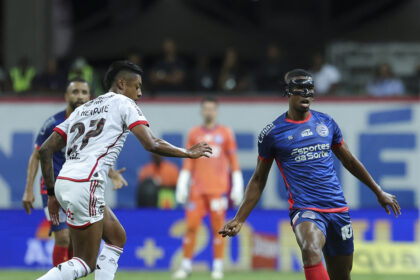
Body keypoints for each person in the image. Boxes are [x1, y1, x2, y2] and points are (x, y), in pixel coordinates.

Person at [219, 69, 401, 280]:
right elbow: (259, 179)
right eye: (300, 89)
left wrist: (378, 191)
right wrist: (240, 218)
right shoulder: (272, 133)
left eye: (310, 89)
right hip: (305, 209)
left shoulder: (327, 123)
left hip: (337, 208)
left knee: (342, 276)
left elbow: (349, 160)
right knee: (310, 247)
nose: (306, 94)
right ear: (288, 92)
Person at [37, 61, 212, 280]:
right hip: (86, 183)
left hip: (65, 182)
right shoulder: (123, 103)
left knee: (117, 237)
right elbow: (152, 144)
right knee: (84, 262)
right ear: (121, 84)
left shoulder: (83, 108)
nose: (139, 93)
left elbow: (45, 150)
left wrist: (52, 193)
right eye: (136, 86)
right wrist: (187, 152)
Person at [22, 77, 127, 267]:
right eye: (75, 92)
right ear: (66, 96)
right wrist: (28, 190)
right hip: (52, 186)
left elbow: (93, 154)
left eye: (84, 92)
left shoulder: (92, 123)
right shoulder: (53, 123)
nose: (80, 96)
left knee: (73, 238)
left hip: (80, 186)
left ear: (90, 97)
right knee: (62, 237)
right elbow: (37, 155)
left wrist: (112, 174)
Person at [174, 96, 244, 279]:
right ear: (201, 111)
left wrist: (237, 185)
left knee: (218, 230)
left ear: (217, 111)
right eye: (206, 108)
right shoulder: (194, 133)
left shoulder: (226, 133)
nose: (209, 112)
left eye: (212, 109)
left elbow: (233, 162)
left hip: (218, 191)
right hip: (197, 191)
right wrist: (183, 183)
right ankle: (186, 266)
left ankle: (218, 267)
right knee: (190, 227)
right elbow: (188, 160)